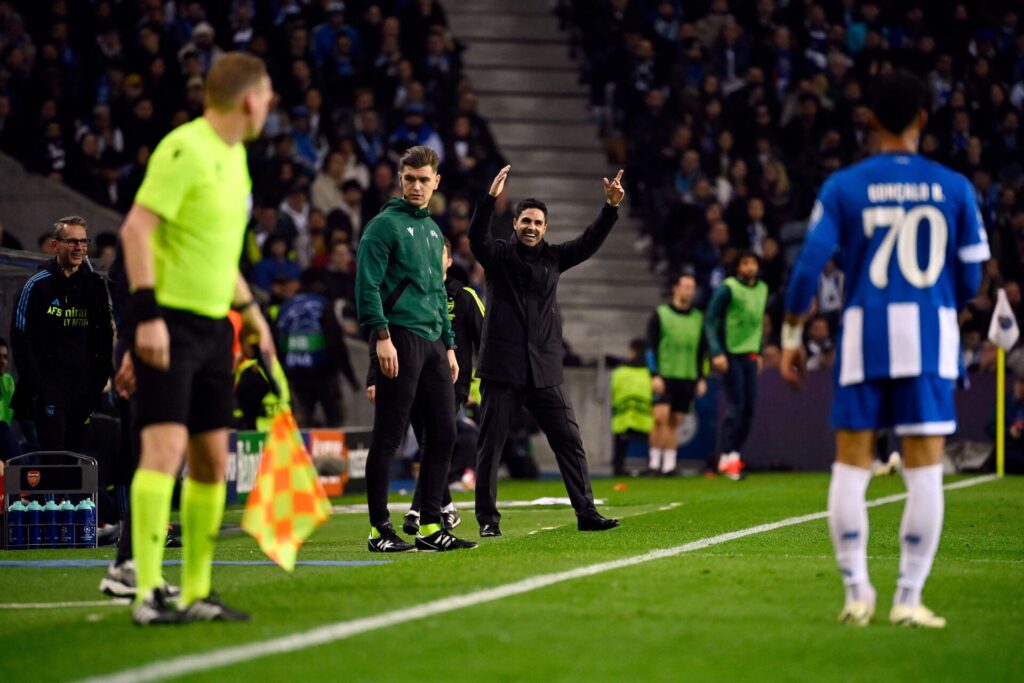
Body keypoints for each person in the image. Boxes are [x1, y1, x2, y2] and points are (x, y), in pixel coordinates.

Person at [780, 71, 990, 629]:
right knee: (924, 471)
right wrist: (942, 297)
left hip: (864, 336)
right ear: (924, 119)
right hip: (929, 336)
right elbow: (972, 279)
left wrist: (792, 333)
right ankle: (908, 597)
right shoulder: (955, 187)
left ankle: (856, 594)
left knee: (851, 465)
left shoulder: (845, 186)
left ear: (869, 120)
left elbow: (806, 268)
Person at [117, 53, 275, 625]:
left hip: (214, 327)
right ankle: (146, 592)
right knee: (163, 451)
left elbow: (217, 251)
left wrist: (250, 310)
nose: (271, 105)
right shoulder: (184, 147)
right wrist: (147, 316)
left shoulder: (236, 160)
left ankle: (196, 592)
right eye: (269, 95)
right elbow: (135, 230)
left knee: (211, 460)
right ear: (250, 99)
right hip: (171, 322)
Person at [470, 165, 623, 536]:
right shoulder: (499, 256)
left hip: (544, 372)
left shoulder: (554, 258)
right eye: (526, 220)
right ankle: (488, 521)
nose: (532, 227)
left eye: (538, 222)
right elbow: (477, 239)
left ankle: (587, 513)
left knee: (569, 442)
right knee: (491, 448)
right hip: (502, 370)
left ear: (546, 229)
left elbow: (587, 243)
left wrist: (610, 208)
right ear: (516, 223)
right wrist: (489, 199)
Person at [355, 145, 477, 553]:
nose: (417, 186)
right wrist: (382, 336)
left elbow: (435, 291)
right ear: (400, 178)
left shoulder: (430, 231)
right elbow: (366, 287)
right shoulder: (382, 227)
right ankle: (378, 530)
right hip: (400, 337)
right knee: (388, 437)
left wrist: (450, 346)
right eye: (410, 179)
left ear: (436, 182)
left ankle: (428, 526)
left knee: (444, 432)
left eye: (424, 180)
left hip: (432, 343)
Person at [373, 237, 485, 535]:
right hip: (414, 380)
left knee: (435, 440)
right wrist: (374, 377)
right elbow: (383, 330)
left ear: (449, 261)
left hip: (452, 382)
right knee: (431, 442)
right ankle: (443, 508)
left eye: (442, 255)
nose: (435, 259)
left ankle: (418, 510)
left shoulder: (464, 296)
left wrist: (482, 380)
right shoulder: (413, 292)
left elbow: (485, 338)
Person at [10, 216, 113, 453]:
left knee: (78, 457)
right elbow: (20, 338)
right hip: (50, 387)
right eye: (72, 242)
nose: (79, 248)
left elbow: (105, 336)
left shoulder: (95, 285)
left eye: (83, 242)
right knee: (53, 454)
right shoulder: (36, 285)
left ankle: (72, 493)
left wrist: (98, 380)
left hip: (85, 387)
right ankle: (53, 492)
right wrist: (37, 385)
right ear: (56, 245)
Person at [704, 251, 767, 480]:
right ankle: (725, 456)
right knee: (735, 406)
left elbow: (757, 323)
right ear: (738, 267)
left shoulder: (762, 289)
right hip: (731, 354)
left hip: (750, 354)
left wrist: (759, 351)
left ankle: (734, 456)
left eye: (753, 263)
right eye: (745, 262)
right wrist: (717, 351)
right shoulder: (728, 288)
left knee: (749, 409)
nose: (750, 267)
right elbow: (711, 320)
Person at [276, 268, 357, 428]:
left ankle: (301, 452)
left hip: (295, 374)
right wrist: (350, 377)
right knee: (335, 420)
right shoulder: (322, 304)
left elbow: (277, 341)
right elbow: (335, 342)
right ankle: (334, 453)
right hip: (324, 373)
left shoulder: (285, 307)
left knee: (301, 423)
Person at [646, 271, 707, 475]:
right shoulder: (661, 314)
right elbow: (650, 347)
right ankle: (654, 463)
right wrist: (654, 374)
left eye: (692, 288)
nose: (689, 291)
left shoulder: (699, 318)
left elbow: (702, 352)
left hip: (687, 375)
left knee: (675, 421)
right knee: (660, 418)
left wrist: (701, 377)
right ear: (676, 288)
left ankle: (669, 465)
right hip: (665, 375)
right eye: (686, 287)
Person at [610, 339, 654, 475]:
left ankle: (618, 469)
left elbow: (614, 391)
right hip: (646, 418)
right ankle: (652, 467)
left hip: (623, 418)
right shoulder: (650, 373)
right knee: (651, 444)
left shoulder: (620, 372)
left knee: (620, 446)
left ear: (632, 351)